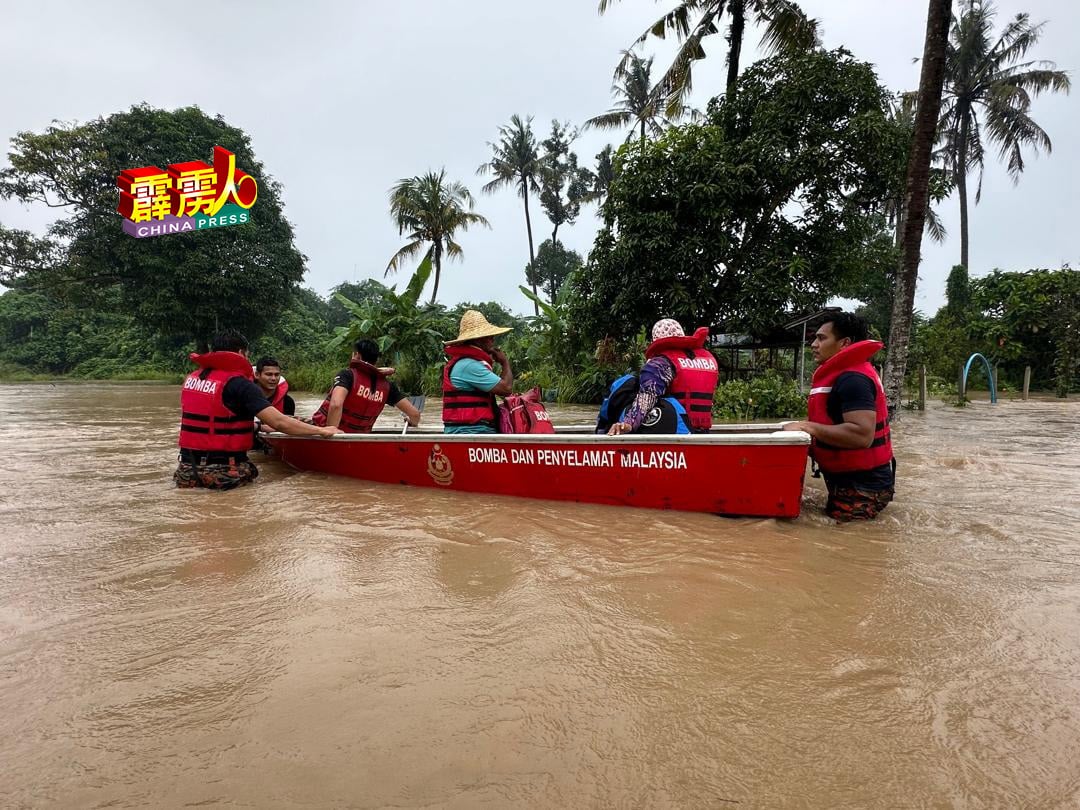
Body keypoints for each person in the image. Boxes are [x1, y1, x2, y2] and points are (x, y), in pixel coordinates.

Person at [176, 329, 341, 490]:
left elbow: (215, 419)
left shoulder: (192, 379)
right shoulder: (241, 384)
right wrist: (323, 431)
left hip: (187, 471)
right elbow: (280, 422)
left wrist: (257, 427)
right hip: (225, 473)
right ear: (241, 353)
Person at [782, 311, 895, 521]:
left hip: (863, 486)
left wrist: (810, 428)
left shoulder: (853, 379)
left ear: (844, 343)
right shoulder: (846, 374)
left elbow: (862, 435)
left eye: (822, 338)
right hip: (853, 482)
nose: (814, 344)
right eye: (815, 338)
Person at [607, 318, 719, 435]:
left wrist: (628, 423)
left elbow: (646, 399)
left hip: (677, 430)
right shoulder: (709, 359)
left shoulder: (660, 363)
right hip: (703, 432)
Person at [311, 339, 421, 432]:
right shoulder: (388, 386)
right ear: (376, 360)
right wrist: (412, 422)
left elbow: (336, 405)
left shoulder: (347, 375)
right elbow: (415, 414)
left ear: (357, 356)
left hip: (332, 437)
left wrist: (331, 431)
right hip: (360, 438)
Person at [441, 309, 513, 434]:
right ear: (479, 339)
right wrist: (505, 362)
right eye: (489, 337)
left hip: (476, 429)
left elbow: (500, 391)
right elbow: (506, 389)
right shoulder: (470, 365)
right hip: (470, 431)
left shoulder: (470, 363)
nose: (493, 340)